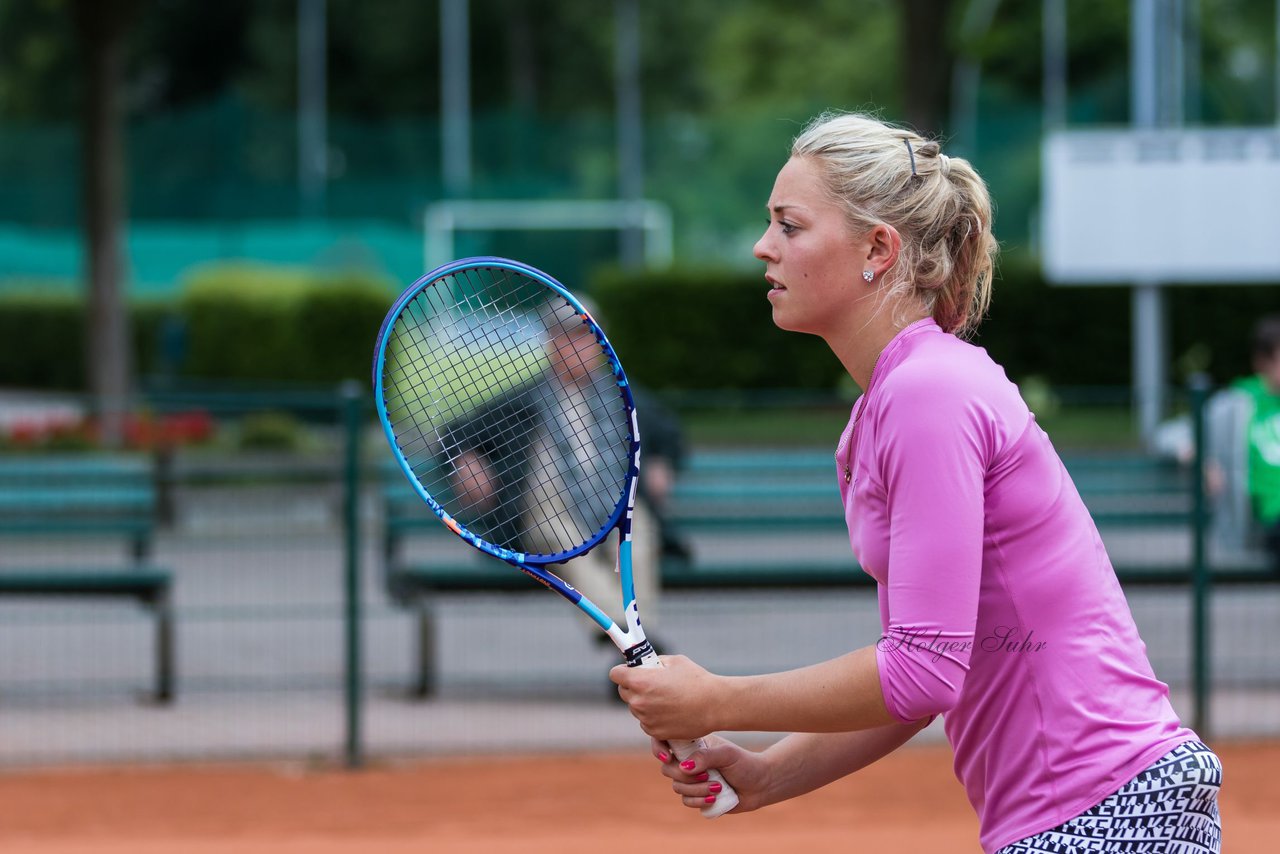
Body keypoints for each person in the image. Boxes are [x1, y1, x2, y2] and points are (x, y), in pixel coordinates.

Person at [610, 112, 1223, 854]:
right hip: (1091, 814)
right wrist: (768, 775)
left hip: (1108, 812)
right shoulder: (888, 408)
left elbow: (922, 672)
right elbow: (925, 675)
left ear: (878, 248)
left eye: (789, 225)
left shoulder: (927, 391)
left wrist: (718, 697)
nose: (762, 246)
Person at [444, 296, 685, 643]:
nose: (575, 346)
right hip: (548, 514)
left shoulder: (625, 396)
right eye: (564, 336)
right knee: (566, 544)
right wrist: (467, 461)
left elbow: (670, 434)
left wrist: (663, 462)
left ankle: (632, 638)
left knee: (638, 537)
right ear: (550, 343)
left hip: (617, 508)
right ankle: (631, 634)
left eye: (584, 335)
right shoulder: (523, 401)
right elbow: (455, 434)